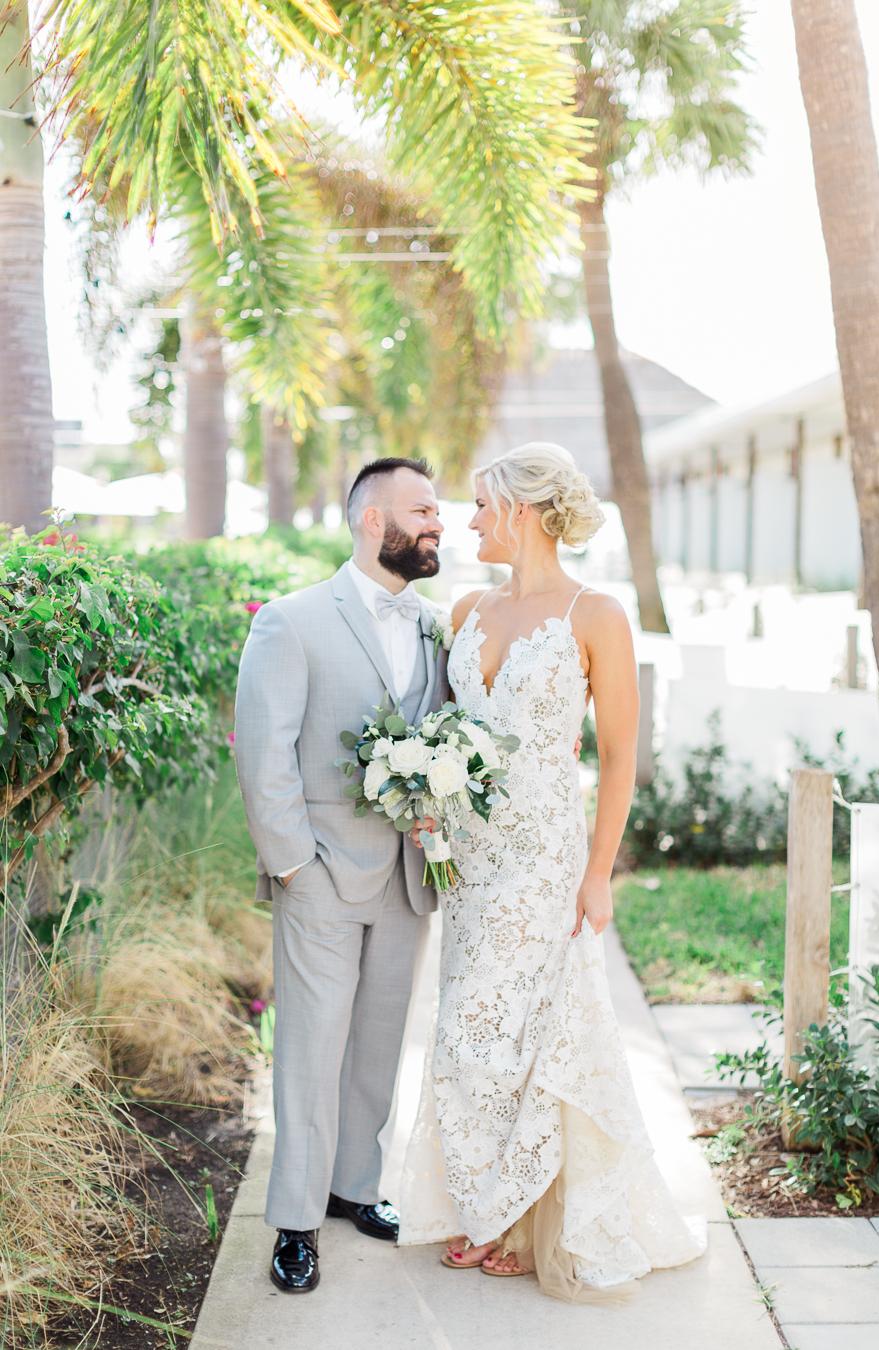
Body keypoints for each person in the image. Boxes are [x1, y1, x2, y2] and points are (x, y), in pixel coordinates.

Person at [399, 442, 706, 1298]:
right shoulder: (464, 610)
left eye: (480, 506)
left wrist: (598, 873)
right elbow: (442, 737)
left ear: (522, 511)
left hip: (545, 861)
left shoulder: (595, 615)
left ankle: (525, 1219)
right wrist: (422, 794)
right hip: (471, 863)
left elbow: (617, 759)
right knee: (467, 1033)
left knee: (532, 1037)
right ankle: (480, 1202)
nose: (468, 523)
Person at [234, 457, 449, 1294]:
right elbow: (265, 753)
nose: (439, 523)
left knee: (377, 1044)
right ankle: (294, 1222)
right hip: (319, 873)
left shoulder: (436, 624)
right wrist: (294, 866)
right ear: (372, 520)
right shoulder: (290, 622)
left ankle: (356, 1186)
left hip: (406, 875)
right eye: (423, 510)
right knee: (312, 1050)